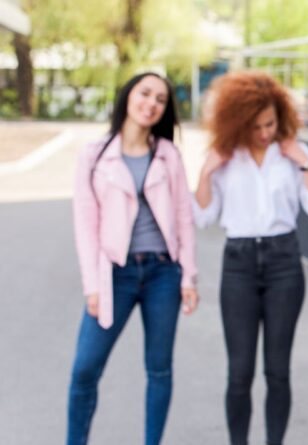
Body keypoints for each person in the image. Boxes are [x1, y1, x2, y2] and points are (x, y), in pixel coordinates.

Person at [193, 71, 308, 445]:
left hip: (283, 262)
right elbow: (203, 217)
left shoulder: (293, 154)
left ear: (281, 116)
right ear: (238, 122)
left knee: (277, 371)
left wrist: (306, 163)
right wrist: (206, 173)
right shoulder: (225, 156)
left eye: (270, 123)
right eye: (255, 126)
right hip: (238, 262)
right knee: (239, 372)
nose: (264, 132)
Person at [69, 72, 199, 445]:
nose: (151, 103)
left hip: (163, 274)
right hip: (115, 275)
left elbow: (184, 218)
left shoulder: (167, 154)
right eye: (145, 93)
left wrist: (188, 277)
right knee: (84, 370)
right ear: (128, 96)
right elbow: (85, 225)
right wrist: (92, 286)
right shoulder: (94, 156)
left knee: (158, 370)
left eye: (160, 99)